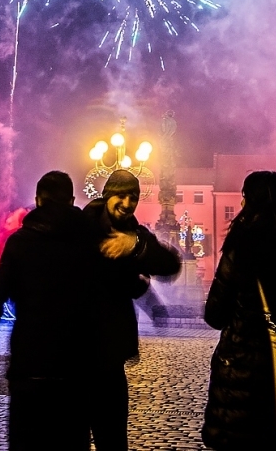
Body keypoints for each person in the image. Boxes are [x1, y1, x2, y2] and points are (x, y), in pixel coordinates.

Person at [0, 170, 95, 450]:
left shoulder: (21, 242)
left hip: (29, 366)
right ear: (72, 201)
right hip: (76, 369)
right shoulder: (89, 242)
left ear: (38, 200)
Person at [202, 170, 276, 449]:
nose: (241, 205)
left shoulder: (243, 245)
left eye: (244, 198)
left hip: (243, 374)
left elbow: (215, 315)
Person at [84, 169, 181, 451]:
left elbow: (169, 265)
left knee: (113, 440)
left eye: (134, 198)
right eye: (121, 196)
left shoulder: (134, 234)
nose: (127, 203)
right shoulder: (79, 227)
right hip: (75, 354)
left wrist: (134, 246)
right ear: (107, 194)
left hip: (110, 358)